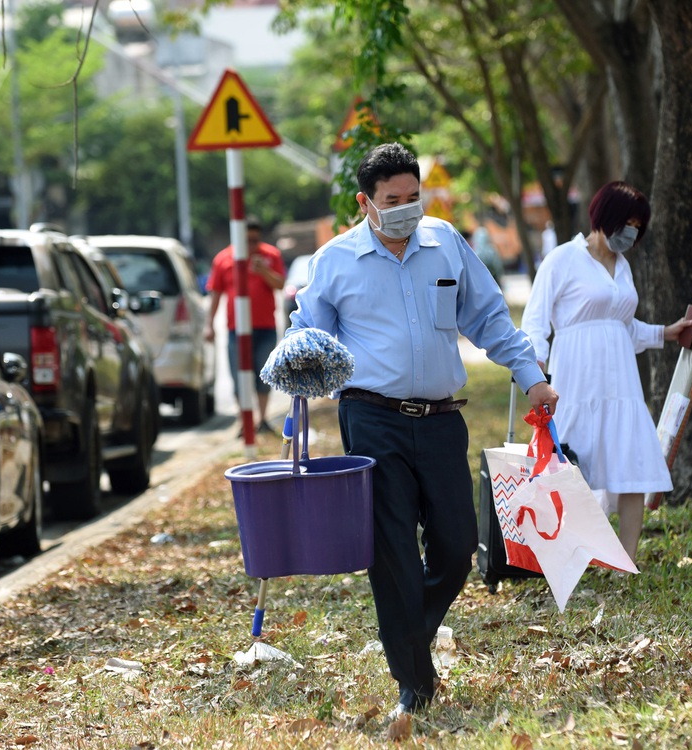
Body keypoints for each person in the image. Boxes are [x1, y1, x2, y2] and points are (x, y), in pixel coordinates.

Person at [284, 143, 558, 718]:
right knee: (394, 557)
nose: (407, 209)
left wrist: (532, 377)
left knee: (458, 547)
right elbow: (308, 339)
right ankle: (414, 682)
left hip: (440, 422)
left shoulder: (446, 245)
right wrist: (295, 378)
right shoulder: (334, 261)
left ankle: (409, 636)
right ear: (366, 203)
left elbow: (487, 317)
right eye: (392, 201)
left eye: (414, 197)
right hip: (371, 419)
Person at [521, 181, 692, 562]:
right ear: (604, 217)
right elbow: (535, 322)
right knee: (573, 467)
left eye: (637, 225)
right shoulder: (562, 259)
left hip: (622, 384)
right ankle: (571, 556)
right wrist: (535, 372)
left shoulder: (624, 267)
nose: (631, 231)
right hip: (577, 379)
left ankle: (625, 561)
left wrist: (666, 333)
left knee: (630, 465)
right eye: (626, 221)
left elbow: (624, 327)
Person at [203, 217, 286, 435]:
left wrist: (263, 271)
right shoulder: (224, 259)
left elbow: (280, 285)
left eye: (255, 240)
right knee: (239, 375)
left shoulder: (270, 255)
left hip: (265, 326)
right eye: (246, 240)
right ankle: (245, 422)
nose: (251, 245)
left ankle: (263, 419)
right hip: (236, 330)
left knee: (264, 374)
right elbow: (215, 294)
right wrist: (209, 325)